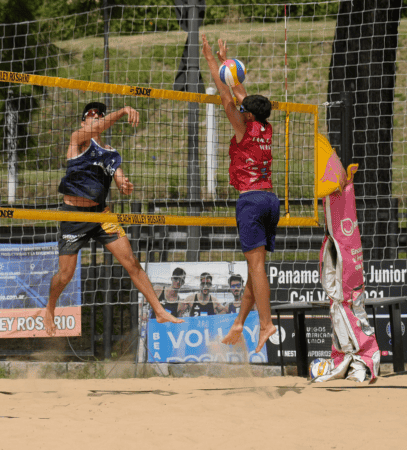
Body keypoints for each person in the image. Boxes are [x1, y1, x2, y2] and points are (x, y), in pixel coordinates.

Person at [44, 102, 183, 335]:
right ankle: (50, 307)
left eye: (100, 114)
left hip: (102, 215)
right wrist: (124, 110)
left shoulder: (111, 154)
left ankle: (159, 310)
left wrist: (125, 185)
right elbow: (98, 127)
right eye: (92, 114)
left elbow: (120, 179)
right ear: (83, 121)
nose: (96, 117)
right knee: (65, 274)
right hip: (73, 216)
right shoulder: (78, 140)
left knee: (132, 262)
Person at [202, 36, 279, 352]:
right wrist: (227, 63)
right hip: (271, 200)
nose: (239, 108)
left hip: (251, 201)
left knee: (257, 269)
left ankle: (266, 323)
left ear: (247, 115)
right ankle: (239, 323)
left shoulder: (243, 127)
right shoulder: (265, 127)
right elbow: (238, 91)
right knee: (254, 270)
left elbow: (226, 94)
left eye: (242, 109)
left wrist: (211, 59)